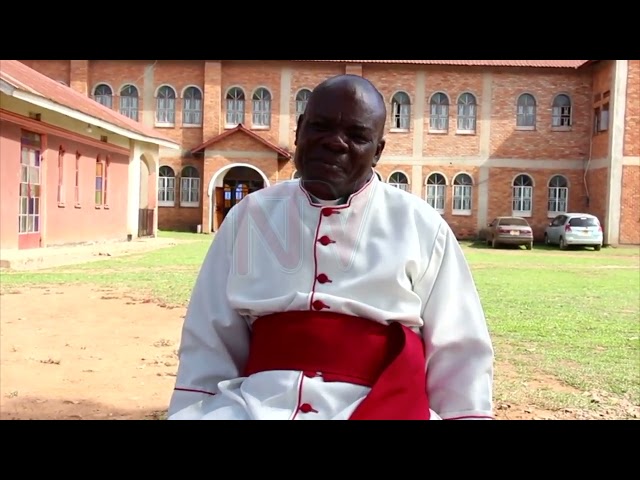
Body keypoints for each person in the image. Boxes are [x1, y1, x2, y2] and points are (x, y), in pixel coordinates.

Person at [167, 74, 494, 420]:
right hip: (255, 405)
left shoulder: (421, 225)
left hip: (381, 404)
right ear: (299, 132)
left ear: (378, 151)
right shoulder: (249, 216)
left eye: (357, 136)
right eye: (321, 127)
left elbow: (458, 350)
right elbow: (210, 336)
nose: (335, 143)